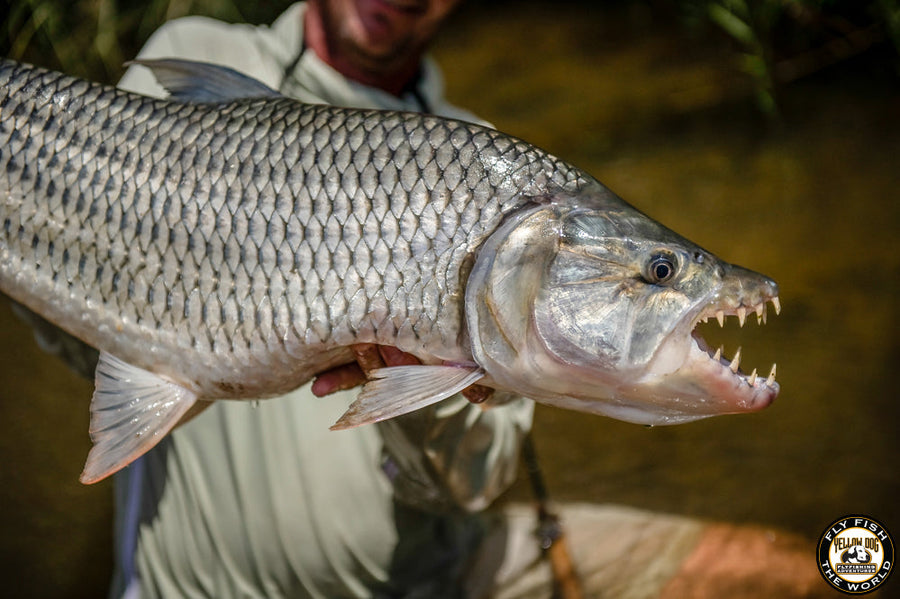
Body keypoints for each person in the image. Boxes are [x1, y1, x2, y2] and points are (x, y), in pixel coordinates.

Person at [105, 2, 833, 598]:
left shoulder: (483, 153)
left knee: (799, 569)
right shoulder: (194, 50)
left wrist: (423, 388)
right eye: (661, 271)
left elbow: (476, 481)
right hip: (197, 585)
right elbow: (81, 328)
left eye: (659, 271)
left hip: (434, 576)